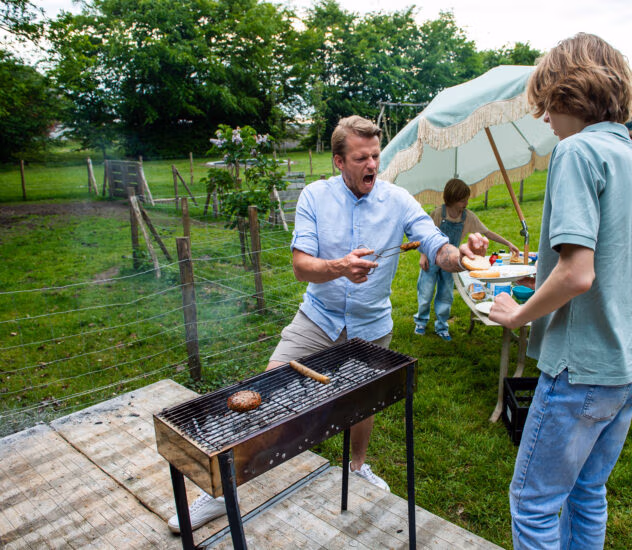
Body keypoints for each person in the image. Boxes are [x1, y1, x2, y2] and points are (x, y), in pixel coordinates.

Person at [167, 115, 489, 533]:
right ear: (339, 161)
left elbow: (436, 245)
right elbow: (301, 266)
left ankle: (357, 467)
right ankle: (219, 494)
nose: (371, 164)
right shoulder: (315, 197)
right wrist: (340, 267)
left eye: (375, 156)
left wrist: (462, 255)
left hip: (371, 325)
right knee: (265, 388)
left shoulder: (398, 200)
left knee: (363, 403)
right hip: (317, 318)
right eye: (361, 158)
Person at [488, 33, 632, 549]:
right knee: (588, 491)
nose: (544, 117)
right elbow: (620, 262)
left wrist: (517, 315)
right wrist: (540, 274)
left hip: (581, 367)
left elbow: (577, 274)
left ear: (570, 93)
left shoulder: (577, 152)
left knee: (534, 503)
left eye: (548, 102)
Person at [413, 177, 518, 341]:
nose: (466, 203)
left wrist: (508, 243)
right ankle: (421, 321)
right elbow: (425, 236)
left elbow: (487, 232)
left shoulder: (468, 217)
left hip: (452, 262)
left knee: (446, 294)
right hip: (431, 260)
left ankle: (442, 326)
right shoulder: (438, 214)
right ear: (452, 199)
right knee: (425, 292)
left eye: (467, 199)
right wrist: (423, 255)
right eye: (463, 200)